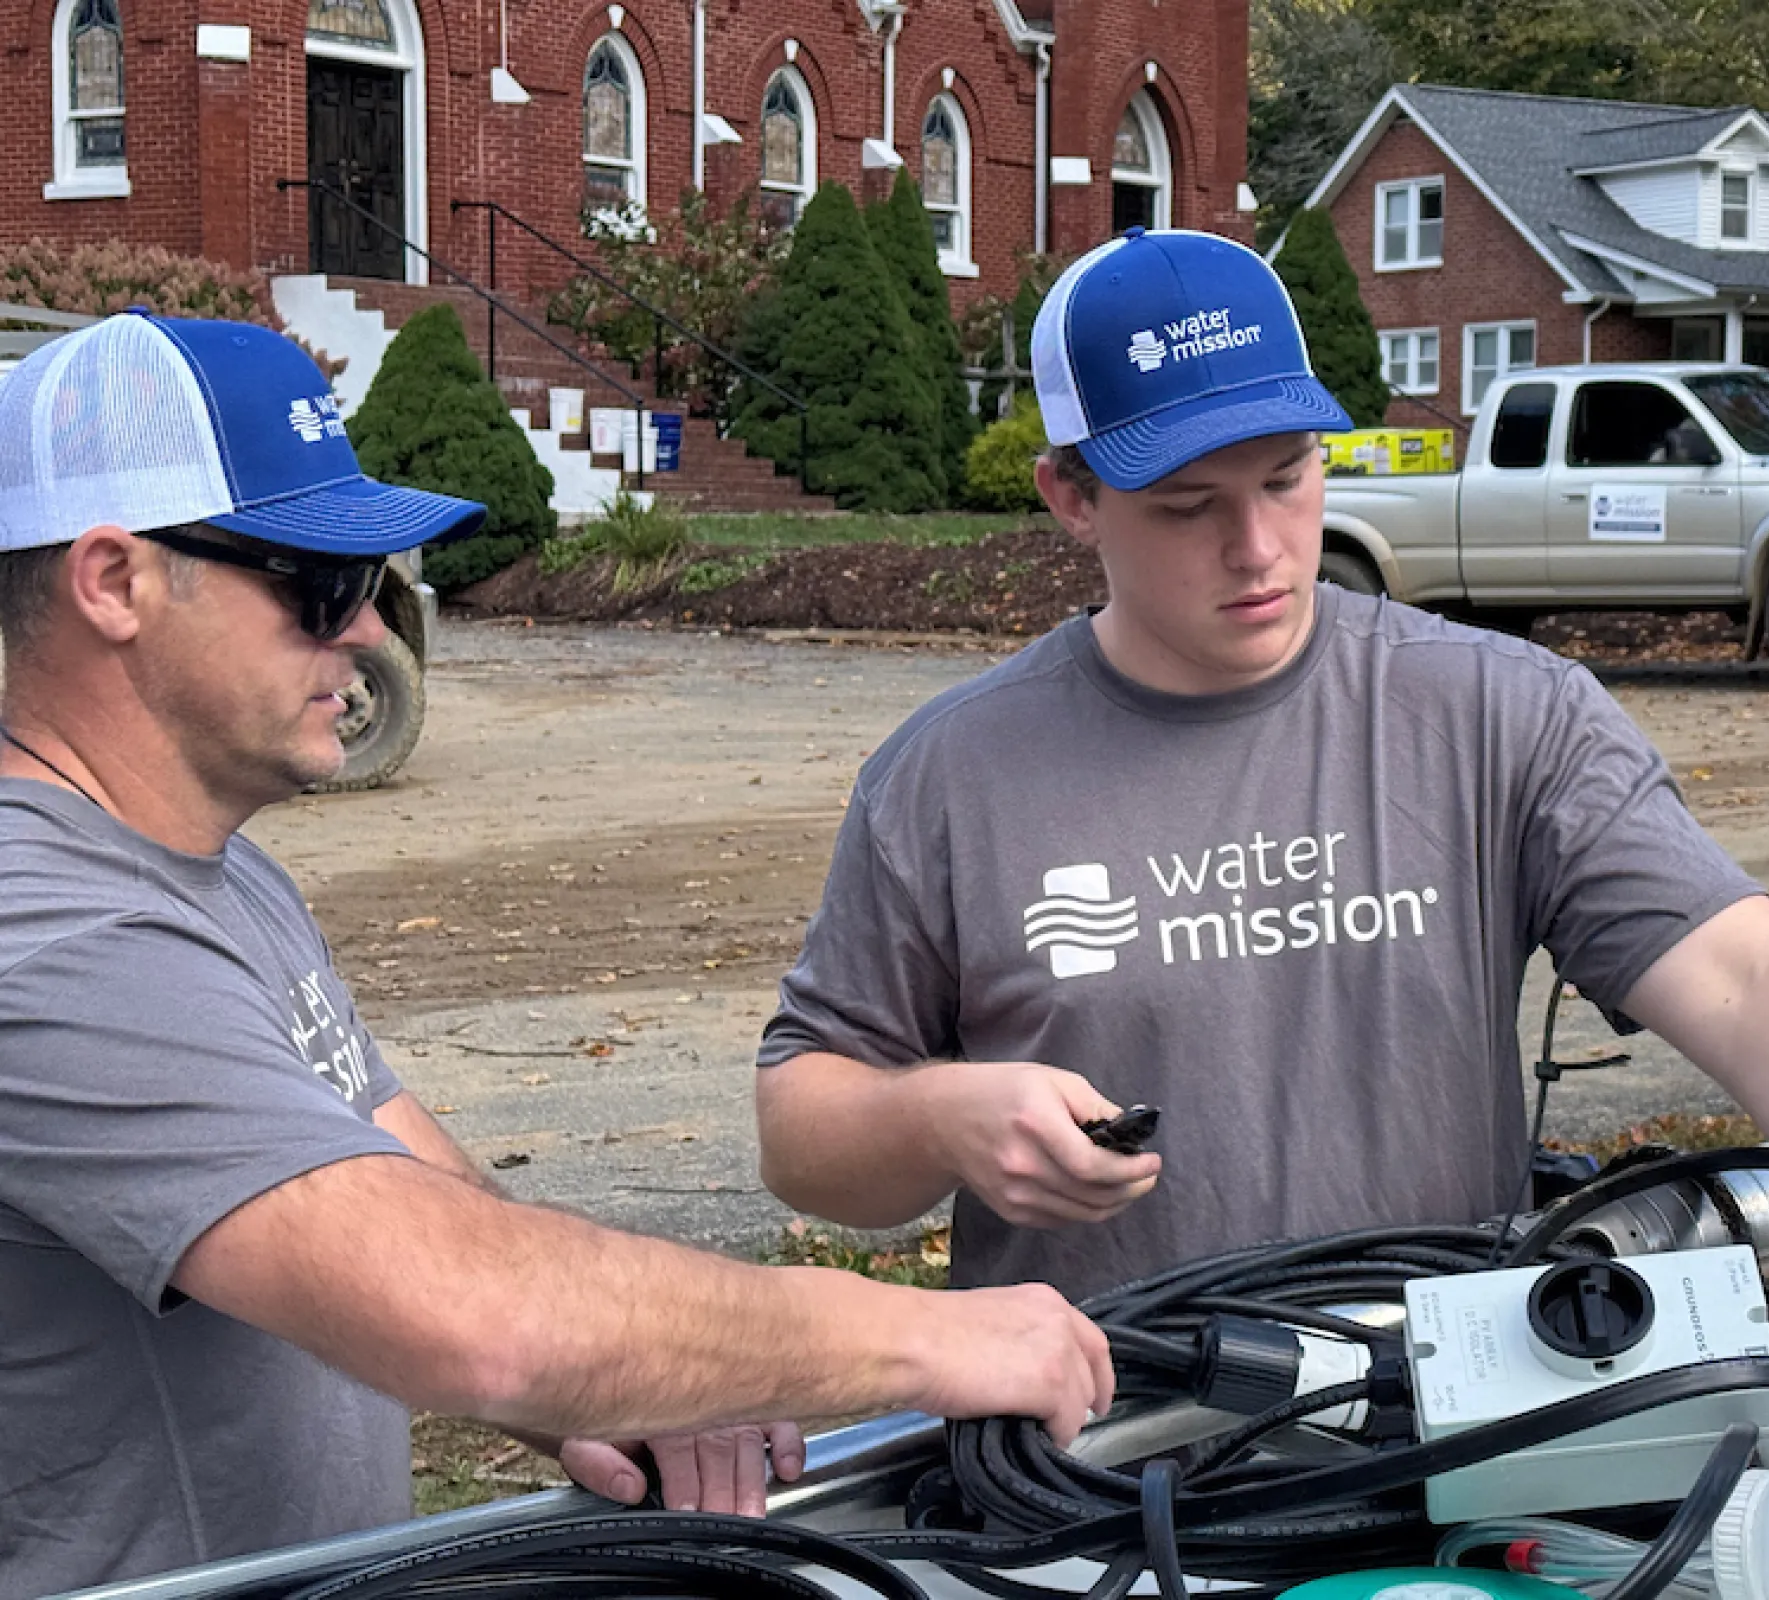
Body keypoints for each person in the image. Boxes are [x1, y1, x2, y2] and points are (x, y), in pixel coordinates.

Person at [753, 227, 1769, 1304]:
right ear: (1070, 497)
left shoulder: (1494, 712)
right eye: (1187, 509)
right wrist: (937, 1119)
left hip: (1449, 1430)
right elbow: (805, 1127)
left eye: (1288, 479)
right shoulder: (951, 778)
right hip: (1107, 1461)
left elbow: (1745, 977)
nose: (1262, 550)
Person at [0, 313, 1113, 1600]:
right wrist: (928, 1335)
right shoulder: (52, 932)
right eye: (320, 583)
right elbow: (471, 1310)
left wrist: (627, 1387)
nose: (369, 632)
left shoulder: (212, 864)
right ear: (114, 582)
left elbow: (425, 1188)